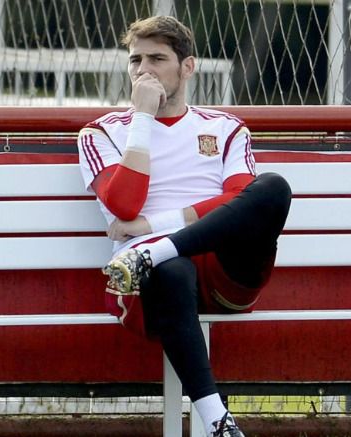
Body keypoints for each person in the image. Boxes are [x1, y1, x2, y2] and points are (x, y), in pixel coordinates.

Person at [77, 16, 291, 437]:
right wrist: (142, 117)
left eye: (157, 58)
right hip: (149, 287)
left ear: (188, 67)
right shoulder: (100, 133)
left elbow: (240, 202)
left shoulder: (225, 128)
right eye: (135, 60)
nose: (144, 70)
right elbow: (123, 203)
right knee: (172, 270)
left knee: (273, 189)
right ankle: (218, 423)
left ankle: (155, 250)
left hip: (219, 272)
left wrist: (153, 230)